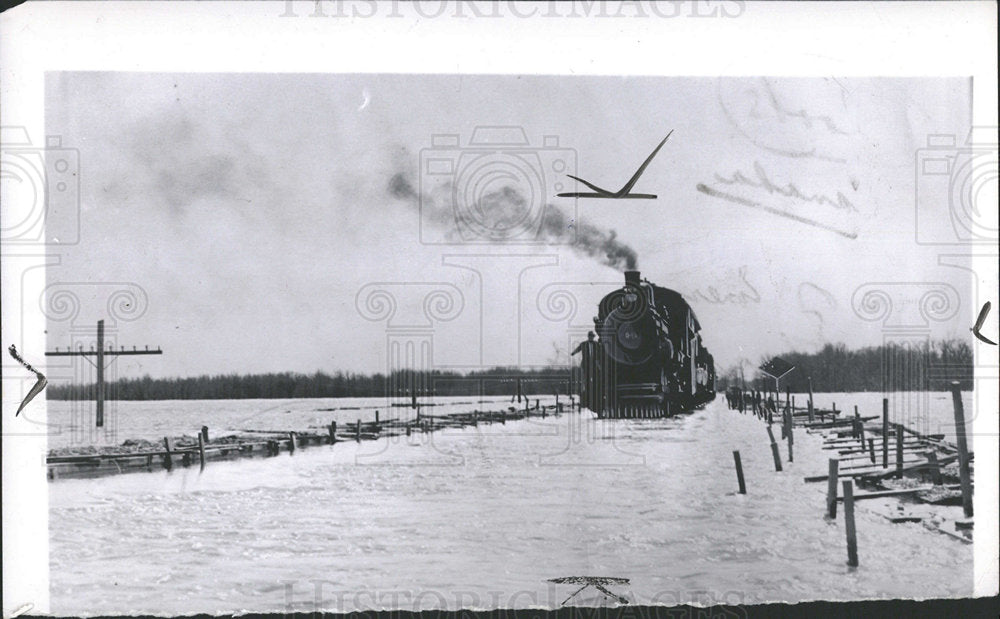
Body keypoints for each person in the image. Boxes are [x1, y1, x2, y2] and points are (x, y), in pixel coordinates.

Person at [571, 332, 598, 411]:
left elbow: (601, 351)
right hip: (586, 364)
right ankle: (587, 390)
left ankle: (594, 390)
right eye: (590, 337)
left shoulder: (596, 344)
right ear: (588, 337)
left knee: (595, 377)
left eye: (592, 337)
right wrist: (573, 353)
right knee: (586, 378)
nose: (591, 338)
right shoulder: (583, 344)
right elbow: (578, 349)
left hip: (594, 364)